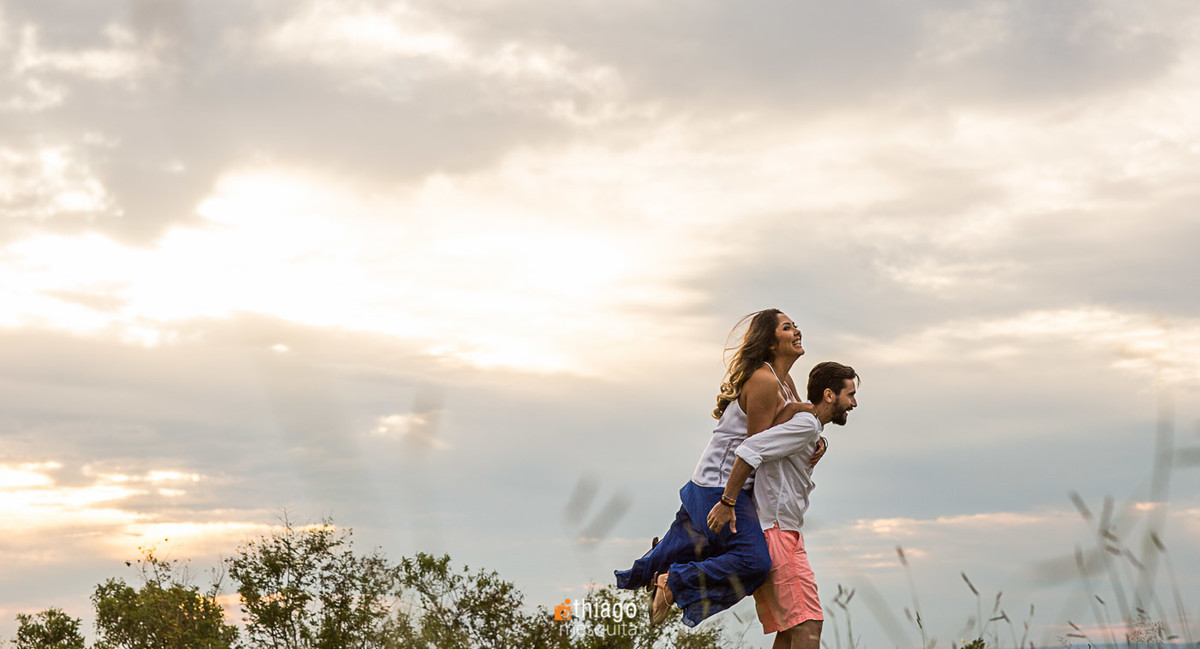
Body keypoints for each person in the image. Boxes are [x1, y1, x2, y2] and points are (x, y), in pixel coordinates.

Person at [614, 309, 828, 627]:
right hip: (722, 486)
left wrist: (815, 440)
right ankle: (673, 580)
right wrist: (798, 410)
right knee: (754, 562)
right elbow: (758, 445)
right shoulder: (764, 380)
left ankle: (670, 567)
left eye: (796, 325)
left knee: (700, 546)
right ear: (770, 343)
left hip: (720, 482)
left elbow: (793, 429)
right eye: (787, 327)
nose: (797, 331)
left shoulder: (784, 381)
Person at [706, 361, 860, 649]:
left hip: (782, 532)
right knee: (809, 624)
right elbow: (750, 449)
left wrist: (819, 439)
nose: (854, 402)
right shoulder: (806, 424)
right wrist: (727, 502)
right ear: (829, 395)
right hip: (778, 533)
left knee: (790, 629)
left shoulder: (808, 427)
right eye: (849, 394)